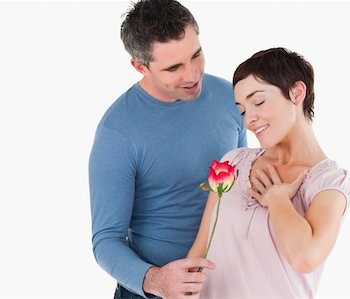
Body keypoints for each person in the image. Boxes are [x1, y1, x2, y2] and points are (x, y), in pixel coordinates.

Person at [88, 0, 246, 298]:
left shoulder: (230, 97)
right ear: (139, 66)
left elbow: (238, 187)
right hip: (153, 291)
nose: (192, 74)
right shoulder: (116, 132)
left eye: (196, 55)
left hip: (226, 284)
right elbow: (106, 240)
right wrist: (156, 280)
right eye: (173, 68)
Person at [188, 47, 350, 299]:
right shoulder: (232, 163)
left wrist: (277, 199)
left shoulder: (328, 183)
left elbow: (304, 258)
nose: (248, 120)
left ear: (297, 93)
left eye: (258, 102)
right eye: (243, 110)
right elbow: (198, 253)